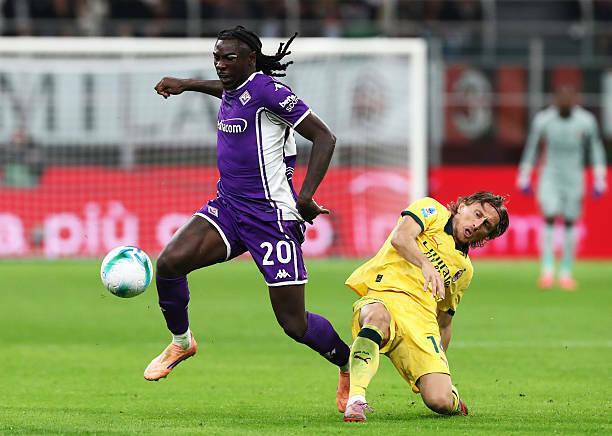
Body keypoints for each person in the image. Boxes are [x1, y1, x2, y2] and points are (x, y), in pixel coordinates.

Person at [146, 26, 352, 410]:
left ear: (251, 59)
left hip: (271, 219)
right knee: (170, 263)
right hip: (229, 208)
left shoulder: (269, 93)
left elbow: (325, 137)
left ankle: (347, 363)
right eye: (217, 58)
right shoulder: (235, 87)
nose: (221, 65)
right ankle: (181, 342)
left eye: (229, 58)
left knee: (294, 324)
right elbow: (226, 89)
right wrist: (186, 84)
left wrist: (306, 197)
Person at [342, 192, 509, 422]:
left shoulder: (464, 270)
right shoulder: (431, 210)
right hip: (385, 295)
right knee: (375, 318)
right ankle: (356, 399)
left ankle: (451, 397)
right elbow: (400, 238)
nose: (477, 224)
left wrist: (438, 364)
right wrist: (426, 264)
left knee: (439, 401)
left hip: (421, 323)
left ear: (486, 236)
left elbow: (445, 321)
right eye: (477, 214)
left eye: (486, 225)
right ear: (462, 206)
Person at [517, 85, 607, 290]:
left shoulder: (586, 121)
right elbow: (532, 147)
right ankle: (547, 270)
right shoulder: (544, 120)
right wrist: (524, 174)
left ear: (575, 100)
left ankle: (566, 272)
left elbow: (595, 148)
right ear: (556, 101)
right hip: (550, 173)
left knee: (569, 221)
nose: (565, 103)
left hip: (574, 176)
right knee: (549, 216)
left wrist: (600, 176)